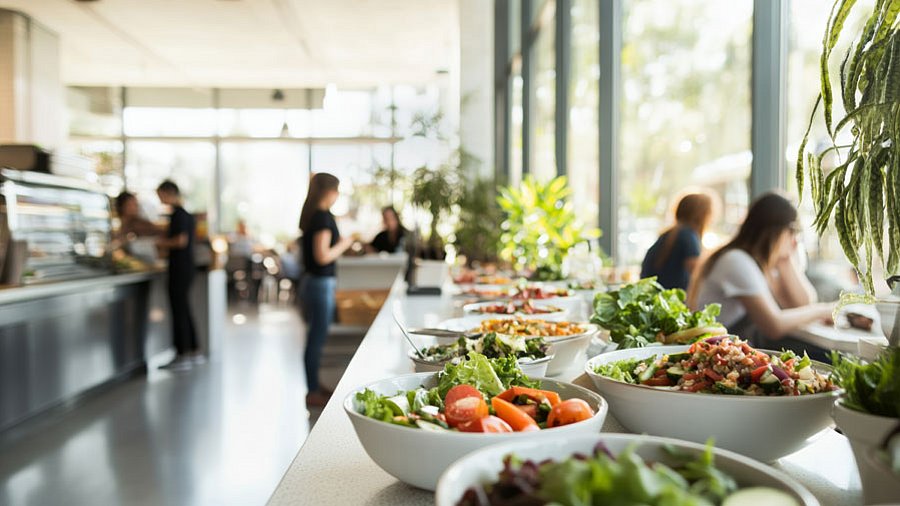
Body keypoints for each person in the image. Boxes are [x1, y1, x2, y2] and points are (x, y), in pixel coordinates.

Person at [688, 192, 833, 355]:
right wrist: (823, 310)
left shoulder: (753, 262)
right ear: (776, 231)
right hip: (711, 353)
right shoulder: (736, 261)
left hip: (728, 350)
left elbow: (802, 303)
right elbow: (774, 326)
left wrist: (786, 261)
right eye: (793, 231)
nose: (795, 239)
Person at [299, 173, 354, 406]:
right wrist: (344, 244)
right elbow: (322, 256)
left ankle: (314, 385)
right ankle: (312, 391)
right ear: (330, 192)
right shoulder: (321, 218)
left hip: (316, 283)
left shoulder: (314, 215)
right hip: (320, 284)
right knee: (316, 339)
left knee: (316, 338)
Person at [155, 180, 200, 370]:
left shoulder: (178, 215)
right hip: (186, 268)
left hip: (179, 269)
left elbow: (180, 241)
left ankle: (182, 354)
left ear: (168, 192)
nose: (160, 199)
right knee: (185, 310)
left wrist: (161, 243)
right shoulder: (187, 214)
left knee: (179, 311)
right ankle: (193, 351)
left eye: (160, 195)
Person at [640, 193, 712, 290]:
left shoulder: (669, 234)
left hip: (656, 299)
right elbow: (698, 275)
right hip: (673, 301)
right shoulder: (688, 236)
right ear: (702, 215)